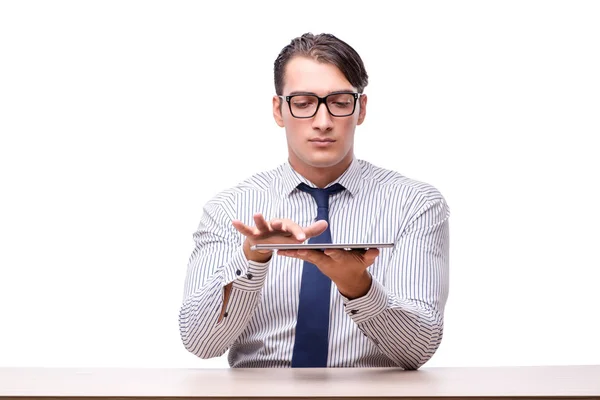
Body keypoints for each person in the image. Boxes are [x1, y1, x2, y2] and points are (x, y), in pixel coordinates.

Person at [179, 33, 450, 369]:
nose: (323, 122)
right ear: (279, 110)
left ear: (361, 108)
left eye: (339, 102)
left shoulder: (415, 204)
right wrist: (253, 258)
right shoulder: (230, 209)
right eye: (304, 103)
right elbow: (200, 342)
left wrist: (358, 286)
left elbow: (417, 350)